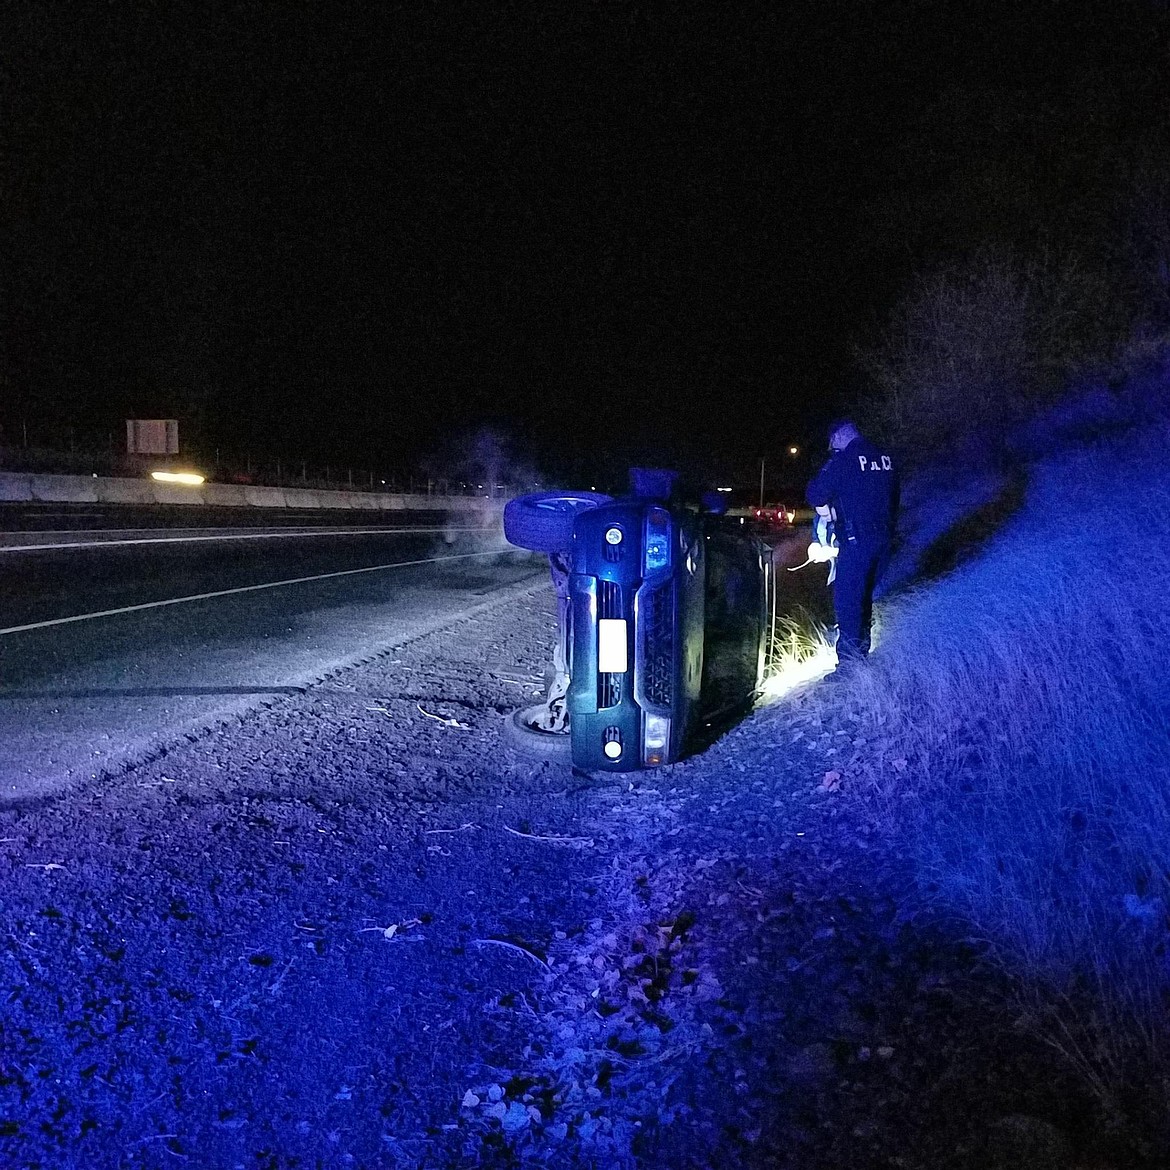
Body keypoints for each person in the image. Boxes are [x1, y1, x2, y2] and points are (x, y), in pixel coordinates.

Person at [805, 419, 898, 661]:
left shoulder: (844, 460)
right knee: (864, 598)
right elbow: (886, 498)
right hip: (884, 541)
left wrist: (828, 513)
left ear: (837, 437)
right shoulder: (885, 458)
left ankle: (848, 667)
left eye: (833, 443)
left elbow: (815, 493)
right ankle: (862, 654)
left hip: (857, 543)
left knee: (848, 602)